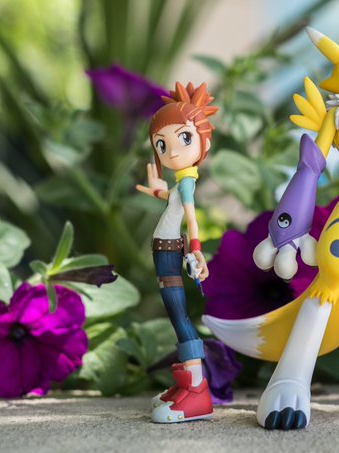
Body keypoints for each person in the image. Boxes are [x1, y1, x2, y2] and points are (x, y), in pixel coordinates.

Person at [136, 81, 218, 423]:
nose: (171, 151)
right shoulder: (180, 182)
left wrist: (196, 249)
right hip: (165, 251)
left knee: (178, 314)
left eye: (184, 138)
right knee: (175, 312)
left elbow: (191, 217)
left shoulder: (186, 183)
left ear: (203, 142)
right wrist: (157, 191)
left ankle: (197, 390)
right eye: (162, 144)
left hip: (171, 251)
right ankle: (187, 384)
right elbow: (173, 203)